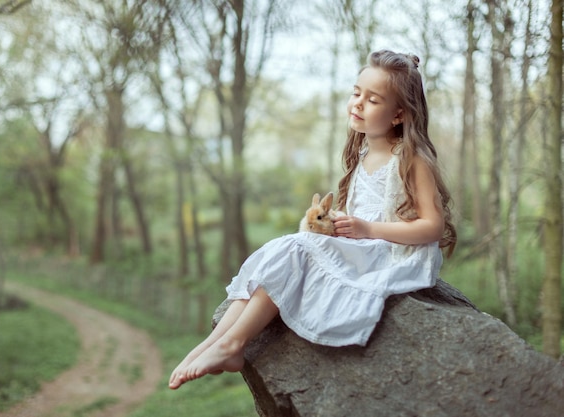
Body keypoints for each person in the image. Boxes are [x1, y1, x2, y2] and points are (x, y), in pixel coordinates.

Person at [168, 50, 456, 390]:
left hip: (394, 252)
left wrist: (366, 229)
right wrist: (342, 224)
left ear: (399, 114)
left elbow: (432, 226)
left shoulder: (411, 159)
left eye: (373, 99)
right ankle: (214, 342)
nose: (358, 103)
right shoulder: (363, 152)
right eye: (356, 93)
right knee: (283, 252)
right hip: (367, 246)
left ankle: (234, 345)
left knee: (297, 248)